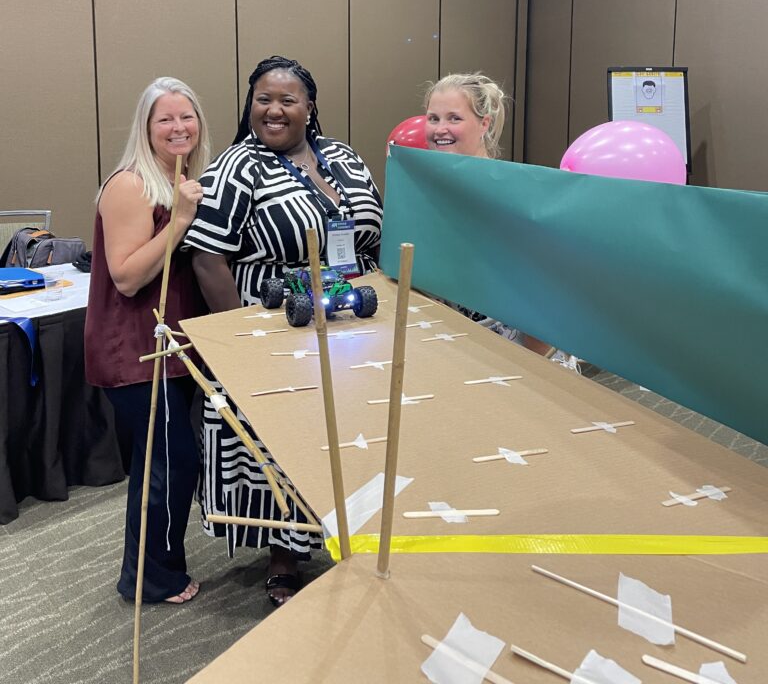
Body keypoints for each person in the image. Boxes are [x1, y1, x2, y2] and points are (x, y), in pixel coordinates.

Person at [186, 55, 382, 605]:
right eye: (263, 100)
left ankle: (355, 537)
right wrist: (241, 340)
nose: (273, 110)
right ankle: (284, 559)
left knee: (350, 436)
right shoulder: (236, 166)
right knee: (285, 448)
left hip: (352, 320)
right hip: (276, 326)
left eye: (287, 100)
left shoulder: (341, 157)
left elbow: (372, 231)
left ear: (309, 106)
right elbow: (207, 258)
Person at [84, 77, 210, 604]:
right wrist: (180, 219)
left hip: (174, 348)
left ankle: (156, 567)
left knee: (166, 459)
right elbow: (128, 276)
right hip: (135, 349)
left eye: (187, 116)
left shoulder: (184, 177)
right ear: (147, 127)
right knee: (171, 459)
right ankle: (149, 578)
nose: (178, 127)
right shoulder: (131, 185)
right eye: (165, 119)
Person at [424, 73, 573, 363]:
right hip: (453, 352)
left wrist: (522, 369)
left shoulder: (515, 194)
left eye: (454, 118)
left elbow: (548, 293)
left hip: (518, 358)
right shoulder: (426, 192)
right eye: (433, 118)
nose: (440, 129)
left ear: (484, 124)